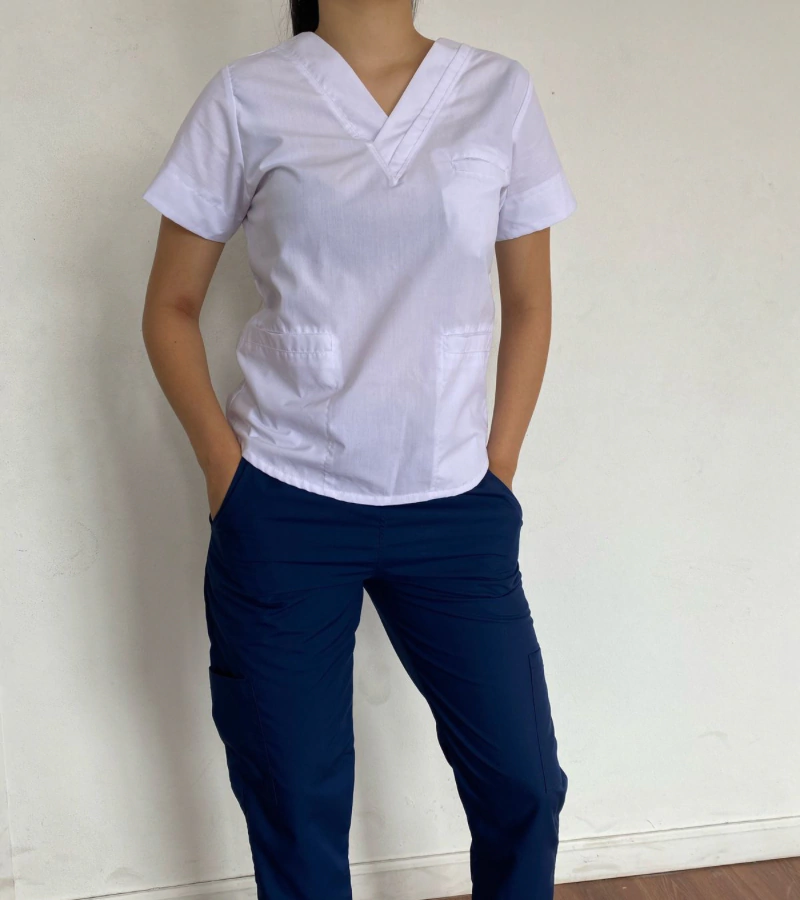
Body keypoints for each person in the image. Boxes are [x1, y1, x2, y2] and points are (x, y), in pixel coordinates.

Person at [141, 0, 577, 896]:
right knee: (294, 804)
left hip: (454, 508)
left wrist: (496, 471)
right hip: (286, 504)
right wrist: (229, 476)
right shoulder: (247, 98)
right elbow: (169, 307)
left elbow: (530, 305)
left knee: (524, 787)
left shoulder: (498, 92)